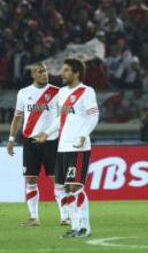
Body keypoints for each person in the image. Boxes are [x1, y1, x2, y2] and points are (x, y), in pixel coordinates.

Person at [35, 59, 99, 238]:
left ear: (76, 73)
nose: (62, 73)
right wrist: (47, 133)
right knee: (64, 188)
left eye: (66, 70)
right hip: (62, 147)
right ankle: (75, 226)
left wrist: (83, 135)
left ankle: (85, 227)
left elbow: (94, 116)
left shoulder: (86, 92)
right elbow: (60, 119)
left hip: (78, 147)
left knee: (74, 187)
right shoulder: (62, 93)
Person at [6, 63, 69, 227]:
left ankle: (65, 217)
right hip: (30, 141)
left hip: (51, 141)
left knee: (57, 180)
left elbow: (63, 117)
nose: (44, 74)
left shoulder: (57, 92)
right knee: (30, 179)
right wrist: (11, 139)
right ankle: (34, 218)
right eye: (40, 72)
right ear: (33, 75)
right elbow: (18, 117)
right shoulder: (24, 93)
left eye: (46, 71)